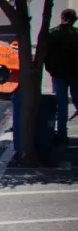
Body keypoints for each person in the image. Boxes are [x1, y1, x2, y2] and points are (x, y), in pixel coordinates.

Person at [44, 8, 78, 143]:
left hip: (58, 74)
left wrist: (51, 69)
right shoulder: (76, 34)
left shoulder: (52, 34)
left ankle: (62, 135)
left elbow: (46, 54)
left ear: (62, 17)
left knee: (61, 105)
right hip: (75, 74)